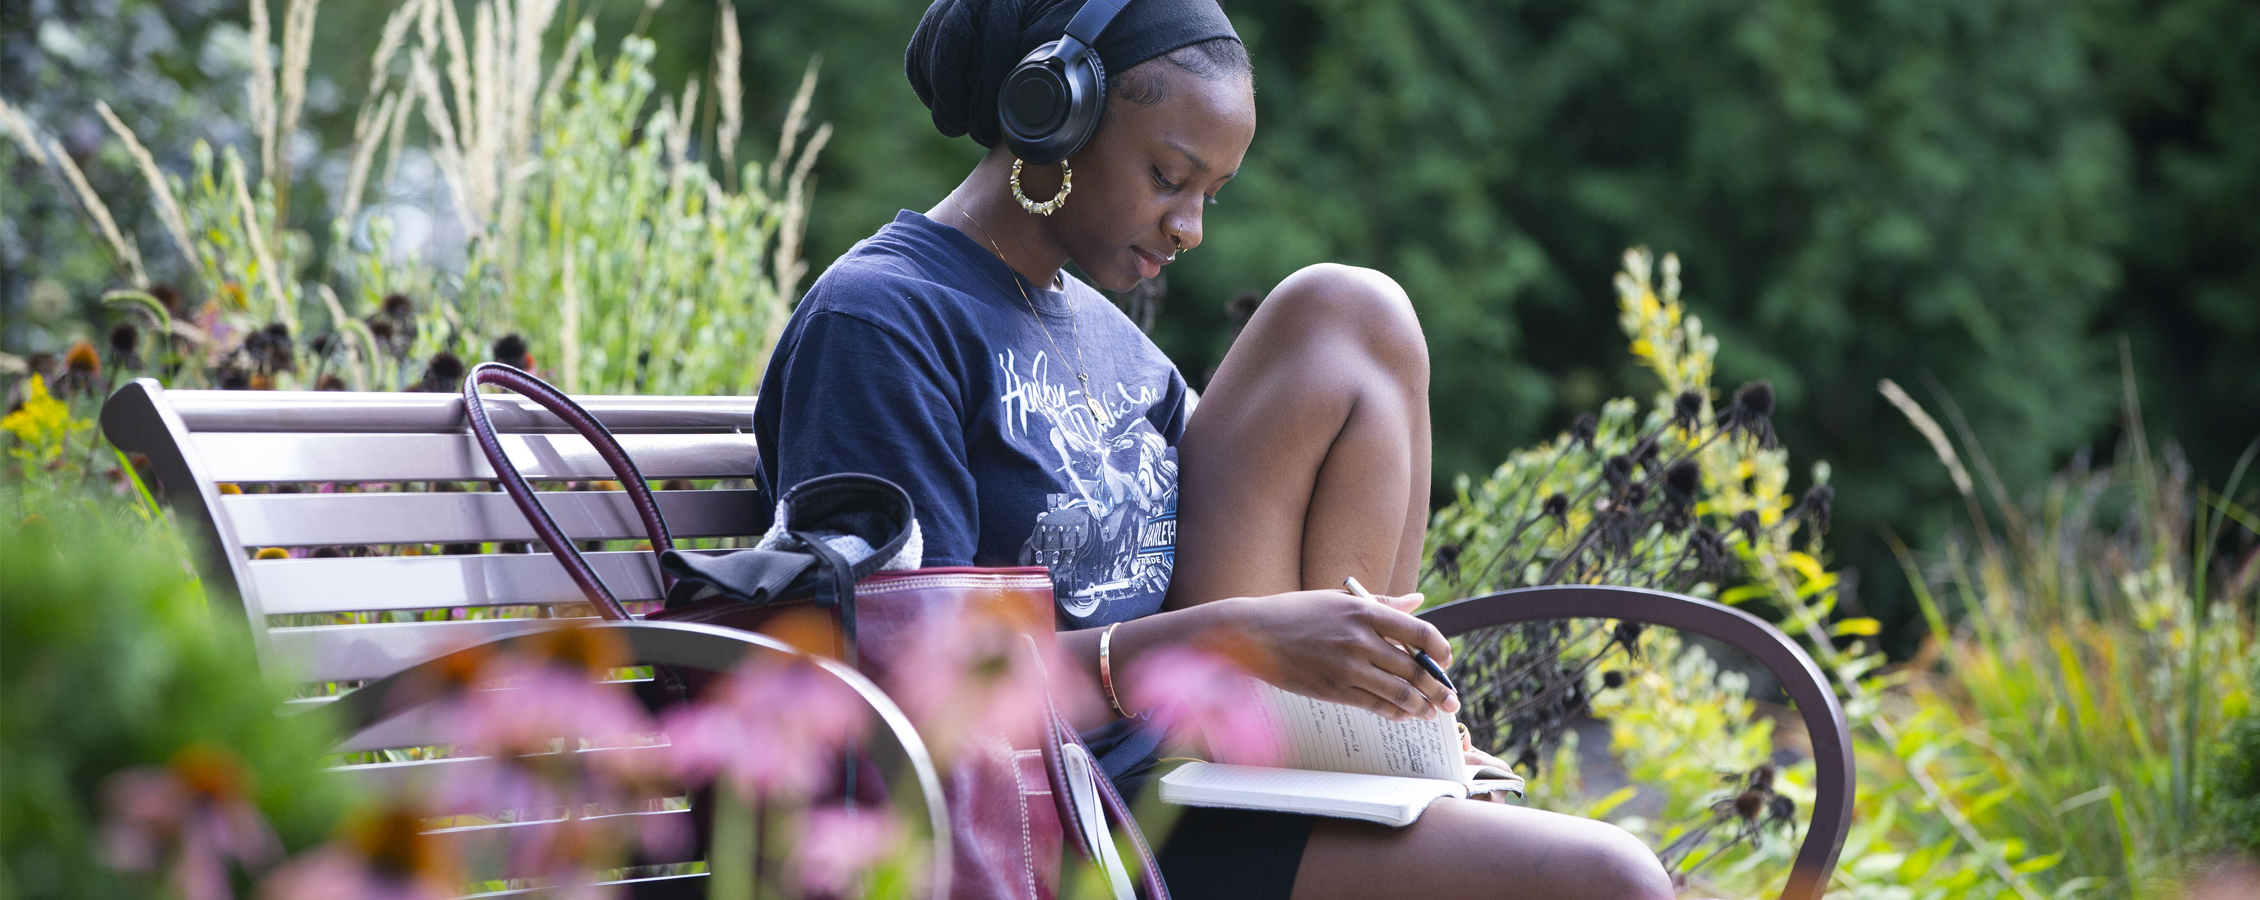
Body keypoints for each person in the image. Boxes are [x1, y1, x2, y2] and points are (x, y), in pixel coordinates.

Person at [752, 1, 1676, 897]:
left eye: (1210, 195)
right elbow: (923, 694)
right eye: (1168, 176)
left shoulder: (1110, 344)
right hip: (1056, 820)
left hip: (1197, 776)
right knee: (1610, 879)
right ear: (1053, 117)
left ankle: (1367, 737)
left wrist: (1380, 714)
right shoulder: (883, 322)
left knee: (1352, 316)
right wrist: (1233, 642)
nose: (1190, 228)